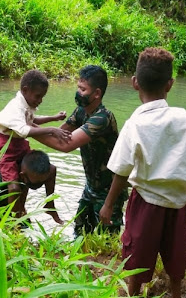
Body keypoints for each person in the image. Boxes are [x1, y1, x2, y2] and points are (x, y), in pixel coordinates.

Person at [98, 48, 186, 298]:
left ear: (135, 82)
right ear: (170, 84)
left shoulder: (135, 123)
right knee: (176, 253)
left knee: (137, 253)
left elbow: (121, 171)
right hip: (177, 204)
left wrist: (108, 205)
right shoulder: (183, 117)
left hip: (145, 202)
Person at [35, 65, 128, 236]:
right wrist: (28, 126)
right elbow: (59, 135)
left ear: (97, 94)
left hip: (109, 192)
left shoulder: (102, 118)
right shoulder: (80, 112)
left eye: (83, 89)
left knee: (106, 242)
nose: (78, 93)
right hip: (91, 187)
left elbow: (66, 145)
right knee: (79, 234)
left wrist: (27, 129)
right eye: (78, 87)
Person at [0, 69, 71, 216]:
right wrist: (51, 130)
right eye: (38, 96)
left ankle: (49, 204)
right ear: (25, 90)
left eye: (42, 97)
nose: (40, 100)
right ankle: (14, 220)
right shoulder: (15, 107)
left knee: (51, 169)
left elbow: (32, 120)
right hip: (6, 149)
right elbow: (24, 130)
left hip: (19, 145)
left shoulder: (26, 105)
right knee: (14, 187)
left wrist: (53, 118)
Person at [0, 150, 63, 224]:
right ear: (22, 176)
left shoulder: (28, 167)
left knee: (25, 225)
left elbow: (52, 169)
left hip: (16, 198)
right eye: (38, 182)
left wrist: (50, 203)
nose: (40, 185)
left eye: (43, 181)